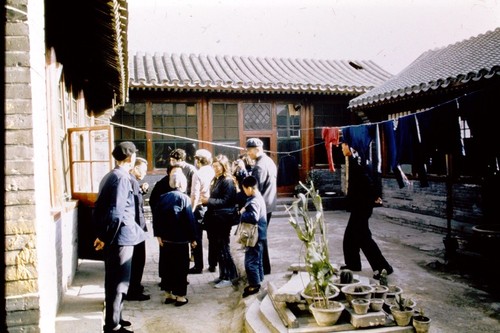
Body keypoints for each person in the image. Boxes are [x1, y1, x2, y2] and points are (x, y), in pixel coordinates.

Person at [93, 141, 146, 333]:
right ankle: (113, 325)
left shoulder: (111, 175)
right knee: (119, 282)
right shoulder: (122, 178)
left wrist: (102, 235)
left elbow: (102, 208)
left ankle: (117, 317)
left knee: (117, 280)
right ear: (131, 158)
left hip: (116, 237)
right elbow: (116, 212)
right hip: (120, 238)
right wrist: (105, 237)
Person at [340, 142, 394, 280]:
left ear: (349, 148)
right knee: (350, 237)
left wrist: (375, 196)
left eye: (343, 146)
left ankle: (383, 267)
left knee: (363, 238)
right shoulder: (353, 160)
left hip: (362, 205)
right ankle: (353, 264)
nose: (341, 149)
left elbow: (369, 179)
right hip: (359, 205)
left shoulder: (358, 162)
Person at [152, 169, 197, 307]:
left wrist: (158, 234)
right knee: (181, 268)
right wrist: (193, 238)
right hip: (180, 240)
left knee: (167, 267)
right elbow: (190, 220)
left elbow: (156, 218)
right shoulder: (184, 198)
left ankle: (168, 294)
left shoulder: (162, 197)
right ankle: (180, 296)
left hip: (166, 240)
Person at [201, 154, 239, 288]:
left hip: (223, 219)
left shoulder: (227, 181)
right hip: (214, 218)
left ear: (224, 166)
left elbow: (227, 201)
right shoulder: (216, 179)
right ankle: (223, 275)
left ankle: (230, 276)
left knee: (224, 248)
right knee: (218, 248)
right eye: (214, 166)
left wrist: (208, 201)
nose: (216, 168)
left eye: (218, 166)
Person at [246, 138, 277, 275]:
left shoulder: (260, 166)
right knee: (261, 237)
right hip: (268, 203)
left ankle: (262, 268)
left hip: (262, 205)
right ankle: (265, 267)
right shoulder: (268, 161)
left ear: (257, 149)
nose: (248, 153)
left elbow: (255, 189)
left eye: (249, 150)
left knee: (259, 238)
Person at [125, 157, 151, 301]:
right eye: (144, 170)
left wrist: (141, 191)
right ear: (135, 168)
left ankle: (135, 286)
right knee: (138, 260)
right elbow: (135, 208)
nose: (145, 173)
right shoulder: (133, 181)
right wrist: (141, 231)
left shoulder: (132, 181)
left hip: (134, 227)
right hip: (136, 228)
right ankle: (133, 290)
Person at [239, 176, 267, 298]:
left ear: (249, 188)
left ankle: (254, 285)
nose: (244, 191)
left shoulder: (254, 201)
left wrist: (243, 213)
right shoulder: (258, 197)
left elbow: (253, 217)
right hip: (260, 235)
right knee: (257, 259)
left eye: (244, 189)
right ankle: (258, 280)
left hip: (254, 236)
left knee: (250, 261)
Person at [189, 149, 215, 274]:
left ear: (198, 159)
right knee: (212, 237)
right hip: (211, 206)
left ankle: (198, 266)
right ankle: (212, 264)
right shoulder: (213, 171)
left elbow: (195, 194)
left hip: (199, 207)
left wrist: (191, 209)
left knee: (197, 237)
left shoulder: (197, 173)